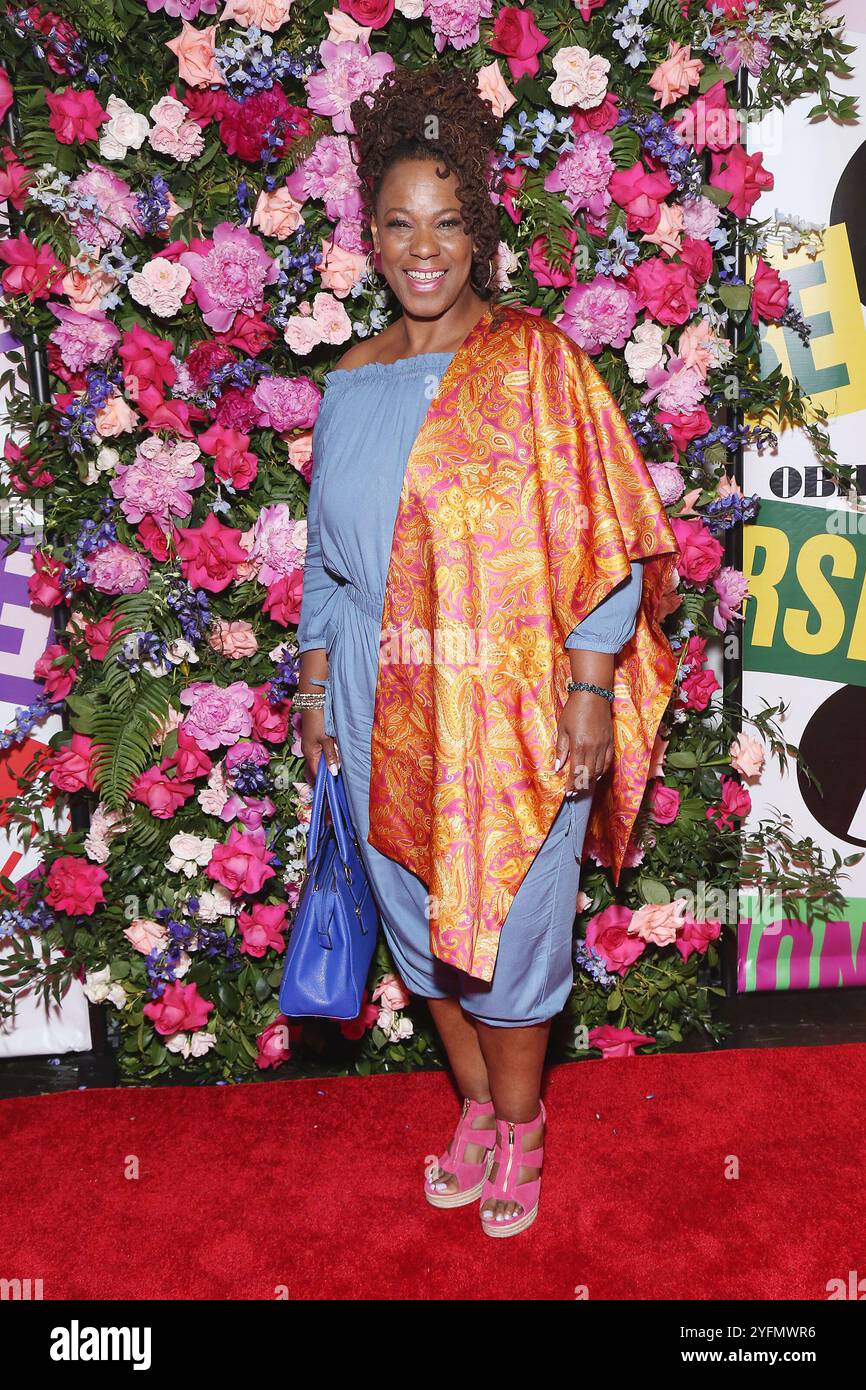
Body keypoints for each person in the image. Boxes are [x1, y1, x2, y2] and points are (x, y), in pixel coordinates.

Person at [295, 66, 678, 1238]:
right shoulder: (348, 382)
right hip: (373, 686)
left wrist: (587, 689)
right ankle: (473, 1108)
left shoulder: (535, 364)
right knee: (418, 929)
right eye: (401, 225)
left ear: (479, 236)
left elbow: (603, 542)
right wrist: (316, 693)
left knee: (507, 928)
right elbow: (322, 565)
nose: (424, 249)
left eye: (447, 224)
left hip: (509, 688)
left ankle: (523, 1129)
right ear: (371, 234)